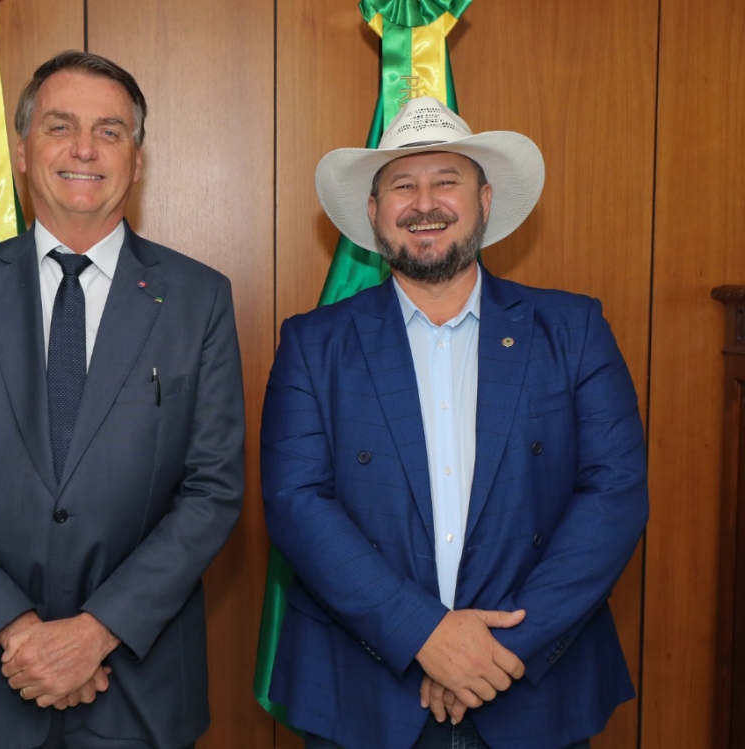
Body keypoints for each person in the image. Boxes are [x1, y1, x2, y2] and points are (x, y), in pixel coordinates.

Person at [0, 50, 245, 749]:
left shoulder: (199, 298)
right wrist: (21, 635)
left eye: (110, 131)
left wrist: (94, 633)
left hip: (138, 691)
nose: (85, 148)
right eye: (60, 127)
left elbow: (213, 490)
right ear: (21, 150)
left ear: (137, 161)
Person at [260, 96, 648, 749]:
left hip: (533, 687)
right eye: (402, 186)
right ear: (375, 213)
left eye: (447, 181)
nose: (425, 202)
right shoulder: (313, 344)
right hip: (362, 693)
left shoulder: (573, 330)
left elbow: (613, 496)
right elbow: (296, 503)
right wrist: (425, 635)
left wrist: (496, 650)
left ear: (486, 200)